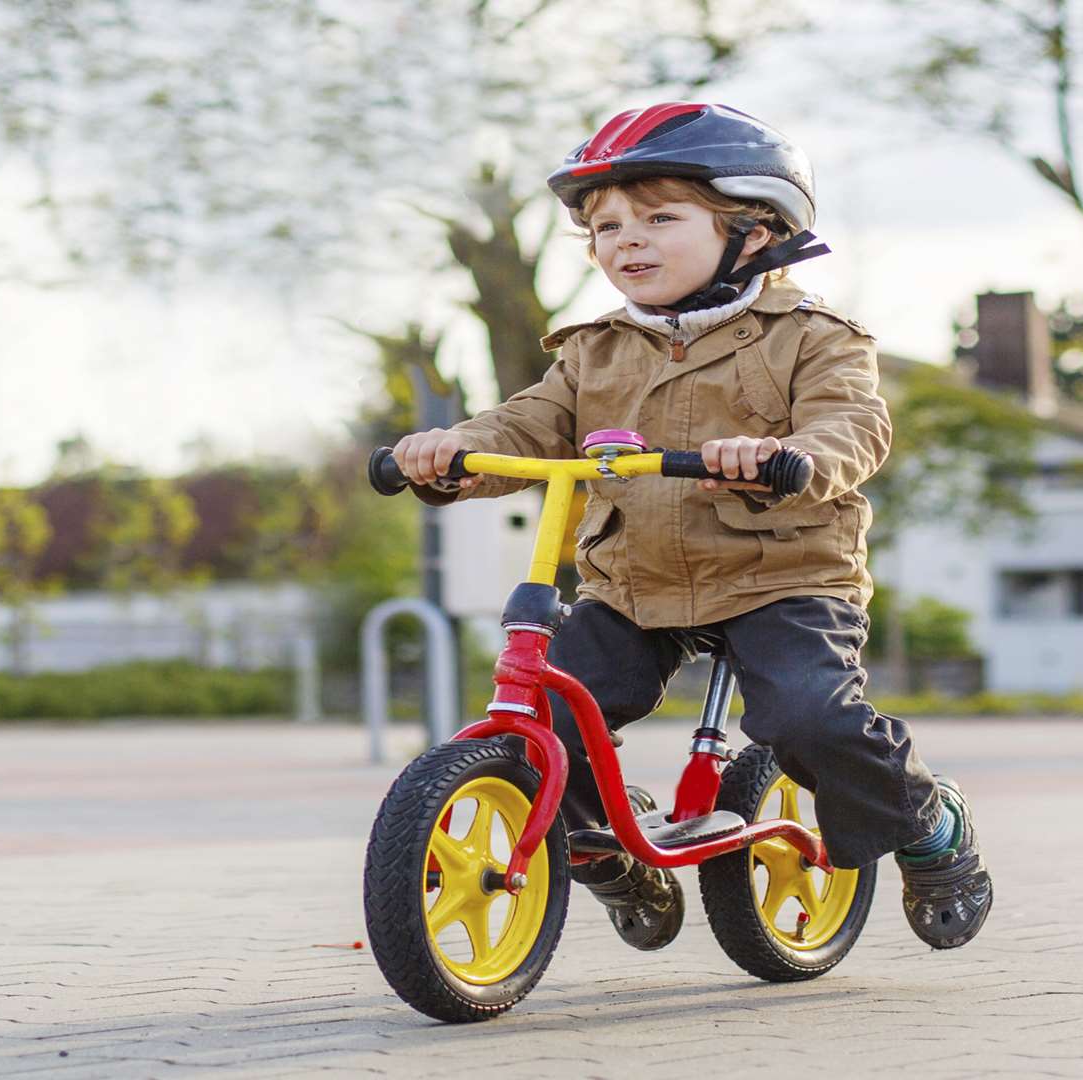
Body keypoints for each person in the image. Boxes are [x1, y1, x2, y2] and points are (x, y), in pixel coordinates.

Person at [392, 103, 992, 951]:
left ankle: (932, 828)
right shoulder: (593, 350)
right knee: (554, 713)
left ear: (753, 231)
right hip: (634, 582)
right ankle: (608, 852)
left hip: (780, 575)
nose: (625, 240)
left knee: (808, 719)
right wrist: (452, 451)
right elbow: (523, 427)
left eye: (660, 218)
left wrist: (792, 457)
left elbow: (851, 427)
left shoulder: (813, 337)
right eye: (605, 226)